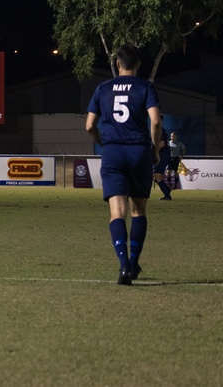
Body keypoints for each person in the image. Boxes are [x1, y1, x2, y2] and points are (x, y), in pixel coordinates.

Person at [85, 45, 161, 286]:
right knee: (139, 211)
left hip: (113, 152)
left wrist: (103, 142)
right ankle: (134, 262)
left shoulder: (103, 88)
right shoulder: (146, 87)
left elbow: (89, 126)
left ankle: (124, 266)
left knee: (117, 213)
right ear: (138, 64)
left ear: (118, 64)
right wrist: (154, 149)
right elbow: (156, 120)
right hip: (139, 151)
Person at [154, 121, 173, 201]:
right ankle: (167, 192)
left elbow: (162, 144)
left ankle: (167, 195)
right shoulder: (159, 129)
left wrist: (153, 152)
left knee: (157, 175)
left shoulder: (159, 130)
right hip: (163, 156)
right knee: (156, 176)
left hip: (162, 156)